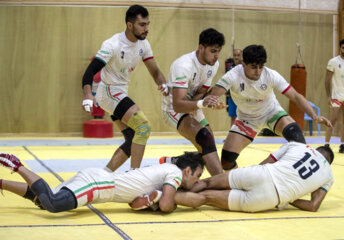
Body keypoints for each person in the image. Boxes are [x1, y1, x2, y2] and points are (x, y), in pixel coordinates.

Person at [207, 44, 332, 170]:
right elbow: (213, 95)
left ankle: (294, 176)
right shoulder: (232, 75)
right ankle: (238, 181)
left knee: (297, 138)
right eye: (254, 67)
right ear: (243, 65)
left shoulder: (271, 75)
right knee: (226, 161)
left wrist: (314, 116)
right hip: (247, 119)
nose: (258, 71)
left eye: (261, 67)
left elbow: (295, 96)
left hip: (271, 112)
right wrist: (214, 103)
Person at [81, 5, 167, 172]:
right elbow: (89, 71)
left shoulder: (144, 44)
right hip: (108, 92)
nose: (146, 29)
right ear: (129, 25)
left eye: (148, 24)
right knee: (143, 127)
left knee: (133, 138)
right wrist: (87, 95)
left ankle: (103, 176)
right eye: (142, 25)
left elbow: (155, 71)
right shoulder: (112, 44)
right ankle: (135, 176)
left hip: (120, 93)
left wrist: (162, 84)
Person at [0, 151, 204, 213]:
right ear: (187, 170)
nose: (196, 182)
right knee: (52, 203)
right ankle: (17, 165)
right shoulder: (175, 173)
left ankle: (1, 183)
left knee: (42, 200)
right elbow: (168, 205)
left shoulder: (163, 172)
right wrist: (168, 199)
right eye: (197, 176)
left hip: (98, 182)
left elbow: (134, 204)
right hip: (98, 185)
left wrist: (154, 198)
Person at [175, 143, 334, 213]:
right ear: (328, 163)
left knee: (207, 182)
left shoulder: (299, 146)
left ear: (315, 150)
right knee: (206, 198)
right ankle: (166, 198)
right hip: (269, 198)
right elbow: (313, 206)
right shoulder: (328, 175)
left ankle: (165, 189)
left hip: (260, 174)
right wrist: (289, 198)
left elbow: (266, 162)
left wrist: (244, 180)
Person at [161, 28, 225, 176]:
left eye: (218, 51)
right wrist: (202, 103)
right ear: (201, 47)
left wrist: (209, 102)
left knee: (208, 139)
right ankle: (221, 181)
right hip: (173, 109)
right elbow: (178, 104)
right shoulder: (183, 65)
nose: (216, 56)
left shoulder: (213, 65)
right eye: (213, 51)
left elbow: (201, 92)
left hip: (192, 105)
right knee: (204, 137)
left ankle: (178, 161)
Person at [225, 49, 242, 126]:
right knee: (233, 117)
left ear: (241, 56)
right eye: (235, 55)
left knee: (242, 117)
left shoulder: (244, 67)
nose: (236, 57)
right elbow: (226, 80)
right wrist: (226, 91)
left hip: (242, 96)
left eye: (238, 55)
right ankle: (232, 135)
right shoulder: (229, 67)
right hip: (231, 96)